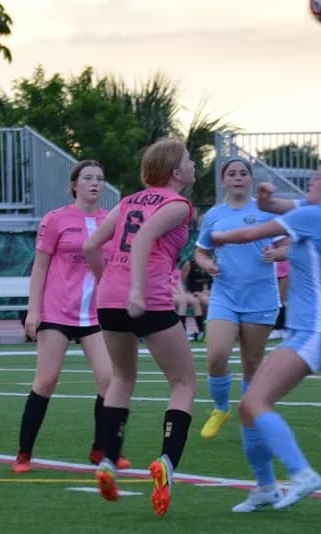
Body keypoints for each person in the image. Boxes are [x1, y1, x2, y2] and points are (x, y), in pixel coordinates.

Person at [211, 159, 321, 512]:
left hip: (314, 331)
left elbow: (249, 234)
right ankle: (266, 488)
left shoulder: (315, 216)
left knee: (255, 403)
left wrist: (212, 236)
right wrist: (267, 197)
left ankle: (302, 474)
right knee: (248, 408)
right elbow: (274, 207)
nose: (309, 183)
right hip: (311, 330)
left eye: (316, 178)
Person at [83, 138, 197, 517]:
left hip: (109, 300)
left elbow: (90, 247)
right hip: (145, 298)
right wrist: (135, 289)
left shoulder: (129, 200)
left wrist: (109, 285)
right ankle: (166, 463)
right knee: (183, 383)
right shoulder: (178, 204)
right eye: (188, 159)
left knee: (122, 378)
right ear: (175, 171)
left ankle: (107, 462)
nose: (194, 163)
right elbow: (146, 236)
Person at [11, 160, 131, 474]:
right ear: (74, 184)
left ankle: (101, 449)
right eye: (88, 178)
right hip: (56, 312)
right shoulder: (55, 220)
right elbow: (39, 267)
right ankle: (24, 453)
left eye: (100, 178)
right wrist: (33, 310)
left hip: (95, 315)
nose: (95, 183)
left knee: (109, 380)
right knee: (46, 380)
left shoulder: (112, 221)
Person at [193, 157, 289, 440]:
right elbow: (200, 252)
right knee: (216, 355)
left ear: (250, 180)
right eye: (231, 173)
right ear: (223, 180)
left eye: (243, 173)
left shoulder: (267, 212)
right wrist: (206, 264)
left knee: (252, 362)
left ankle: (249, 414)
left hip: (260, 297)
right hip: (225, 295)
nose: (237, 177)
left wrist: (278, 254)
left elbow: (289, 246)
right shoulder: (213, 216)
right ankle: (220, 409)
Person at [172, 263, 204, 341]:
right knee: (183, 301)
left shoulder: (177, 270)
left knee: (195, 301)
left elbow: (180, 285)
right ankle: (182, 333)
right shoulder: (163, 270)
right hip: (167, 293)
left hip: (177, 293)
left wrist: (183, 293)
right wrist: (176, 293)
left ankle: (201, 332)